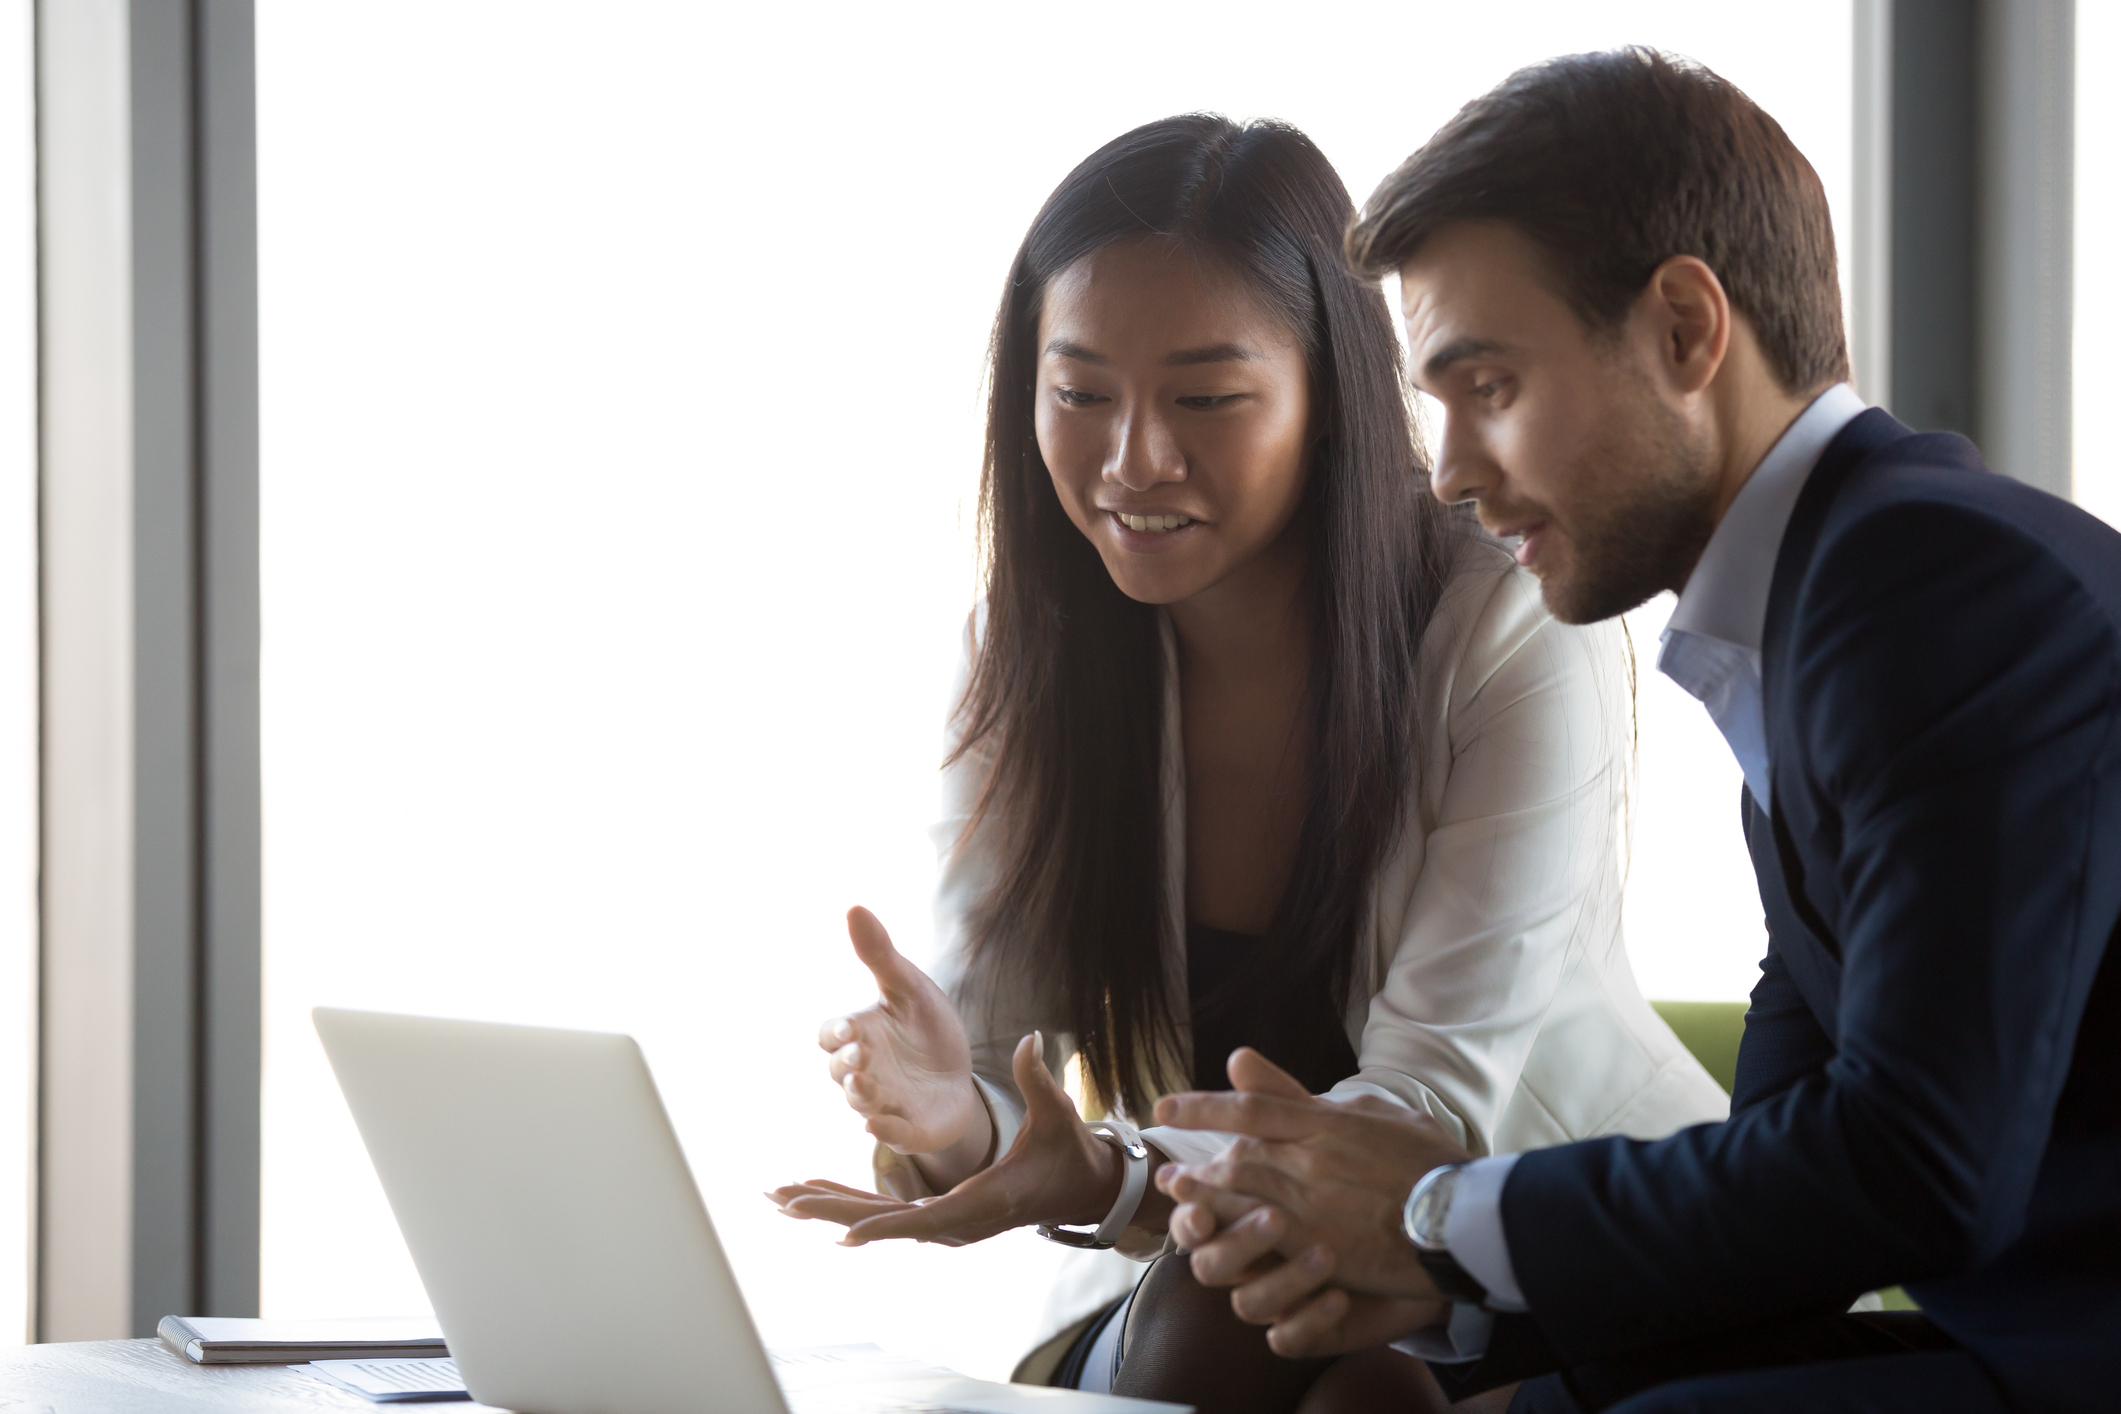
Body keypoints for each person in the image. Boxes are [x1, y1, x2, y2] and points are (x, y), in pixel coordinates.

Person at [1153, 48, 2121, 1414]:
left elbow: (1915, 1167)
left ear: (1681, 329)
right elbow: (1798, 1179)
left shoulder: (1931, 592)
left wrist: (1433, 1213)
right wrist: (1430, 1279)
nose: (1448, 471)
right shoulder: (1819, 612)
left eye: (1483, 384)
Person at [767, 113, 1727, 1414]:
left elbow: (1412, 1123)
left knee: (1335, 1364)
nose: (1131, 460)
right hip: (1192, 1286)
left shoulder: (1504, 621)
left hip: (1520, 1267)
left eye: (1207, 398)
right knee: (1299, 1347)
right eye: (1079, 393)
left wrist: (1102, 1176)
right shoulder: (1028, 652)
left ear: (1328, 400)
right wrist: (951, 1116)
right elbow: (1007, 1078)